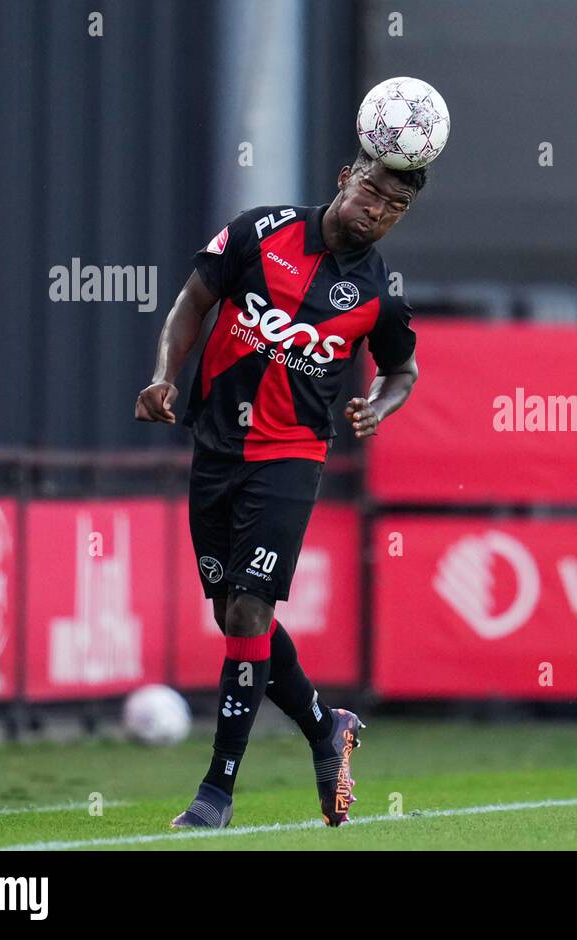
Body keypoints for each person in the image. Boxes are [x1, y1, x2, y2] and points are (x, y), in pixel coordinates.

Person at [134, 150, 424, 829]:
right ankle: (326, 726)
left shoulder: (380, 296)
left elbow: (403, 368)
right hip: (214, 446)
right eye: (371, 192)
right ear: (344, 178)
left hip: (289, 458)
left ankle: (216, 795)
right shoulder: (258, 231)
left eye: (394, 207)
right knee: (236, 616)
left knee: (246, 614)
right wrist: (161, 374)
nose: (376, 211)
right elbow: (192, 301)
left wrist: (380, 406)